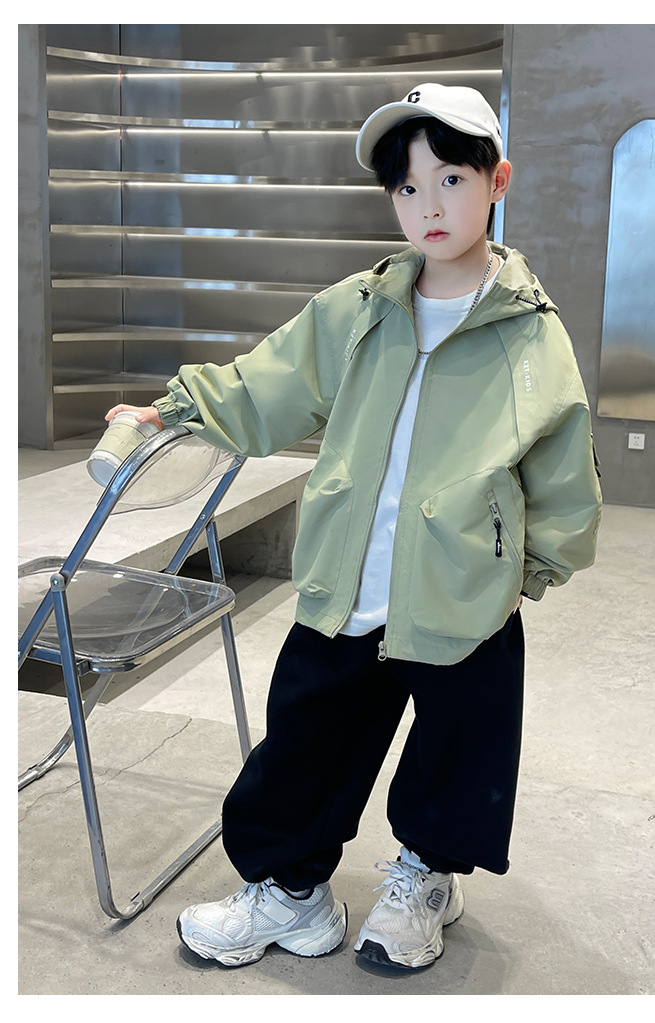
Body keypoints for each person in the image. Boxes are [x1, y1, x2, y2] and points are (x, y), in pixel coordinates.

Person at [106, 83, 602, 972]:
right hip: (347, 584)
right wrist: (171, 408)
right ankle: (292, 893)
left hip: (463, 594)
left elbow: (562, 466)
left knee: (458, 752)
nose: (429, 205)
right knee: (306, 743)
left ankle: (427, 877)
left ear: (499, 180)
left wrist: (521, 570)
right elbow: (269, 382)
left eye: (451, 179)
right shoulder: (361, 305)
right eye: (407, 187)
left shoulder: (530, 332)